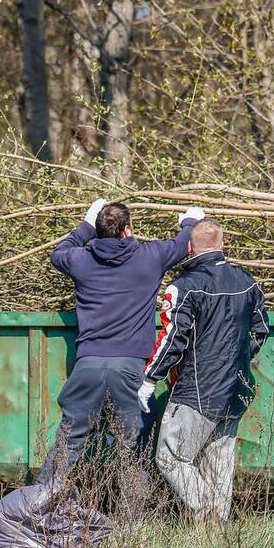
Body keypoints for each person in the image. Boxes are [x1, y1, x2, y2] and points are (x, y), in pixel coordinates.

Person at [36, 199, 204, 483]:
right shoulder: (150, 257)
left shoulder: (81, 260)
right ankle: (131, 522)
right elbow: (183, 244)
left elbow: (58, 253)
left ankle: (37, 506)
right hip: (130, 369)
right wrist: (189, 221)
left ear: (99, 231)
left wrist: (86, 225)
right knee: (133, 448)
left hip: (87, 366)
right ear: (127, 230)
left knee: (68, 443)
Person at [139, 218, 269, 520]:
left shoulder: (183, 287)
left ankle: (206, 512)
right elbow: (260, 330)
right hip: (235, 388)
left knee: (170, 457)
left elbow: (172, 339)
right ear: (222, 245)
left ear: (189, 248)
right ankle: (215, 533)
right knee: (218, 466)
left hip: (196, 390)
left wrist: (150, 378)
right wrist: (234, 360)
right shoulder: (247, 282)